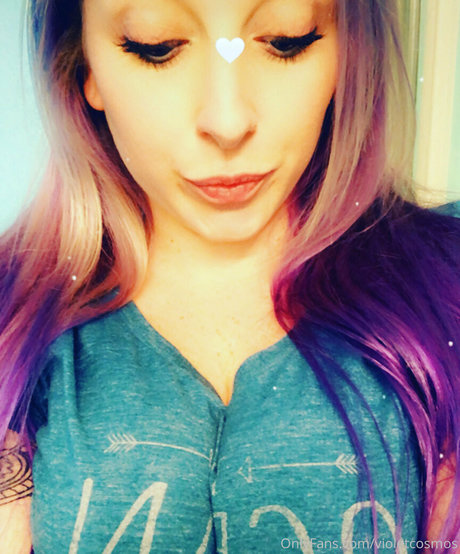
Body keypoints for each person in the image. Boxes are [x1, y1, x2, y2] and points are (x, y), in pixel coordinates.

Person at [0, 0, 459, 552]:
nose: (228, 122)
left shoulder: (448, 287)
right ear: (85, 67)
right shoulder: (13, 319)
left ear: (347, 51)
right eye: (157, 47)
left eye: (286, 39)